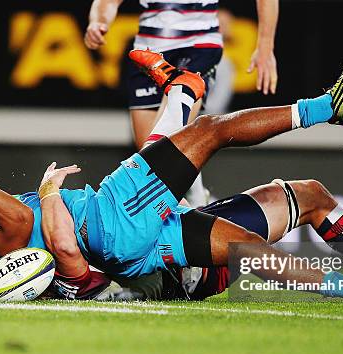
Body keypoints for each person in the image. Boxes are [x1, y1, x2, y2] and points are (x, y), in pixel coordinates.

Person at [0, 47, 343, 303]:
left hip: (141, 243)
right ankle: (326, 108)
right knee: (210, 129)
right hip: (112, 218)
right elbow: (31, 222)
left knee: (256, 247)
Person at [85, 0, 280, 206]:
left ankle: (192, 212)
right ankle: (196, 203)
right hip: (147, 52)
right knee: (150, 158)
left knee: (160, 149)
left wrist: (265, 46)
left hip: (198, 47)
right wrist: (98, 22)